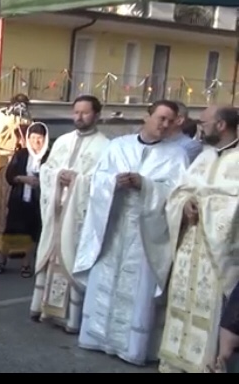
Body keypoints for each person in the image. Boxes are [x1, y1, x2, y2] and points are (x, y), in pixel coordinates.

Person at [73, 100, 190, 366]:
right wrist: (113, 183)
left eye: (171, 121)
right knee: (104, 279)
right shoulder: (118, 146)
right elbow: (97, 180)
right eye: (161, 118)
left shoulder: (177, 155)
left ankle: (132, 347)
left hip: (146, 236)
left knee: (139, 289)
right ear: (147, 117)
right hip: (112, 226)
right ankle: (96, 337)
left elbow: (177, 196)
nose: (165, 125)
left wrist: (146, 185)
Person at [158, 106, 239, 373]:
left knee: (212, 312)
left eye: (203, 122)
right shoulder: (203, 157)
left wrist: (203, 204)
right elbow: (180, 191)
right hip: (190, 246)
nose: (198, 127)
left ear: (221, 125)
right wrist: (184, 205)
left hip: (217, 257)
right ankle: (176, 363)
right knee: (182, 304)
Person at [31, 95, 109, 333]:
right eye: (76, 112)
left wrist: (78, 180)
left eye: (85, 113)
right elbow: (47, 169)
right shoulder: (63, 140)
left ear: (96, 115)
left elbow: (103, 182)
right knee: (51, 256)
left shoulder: (105, 146)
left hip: (78, 215)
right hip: (56, 209)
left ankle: (71, 317)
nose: (79, 117)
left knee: (73, 257)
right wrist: (57, 177)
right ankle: (43, 308)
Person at [0, 122, 49, 277]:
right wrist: (23, 179)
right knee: (10, 232)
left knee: (32, 234)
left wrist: (42, 181)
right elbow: (9, 175)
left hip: (37, 202)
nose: (36, 142)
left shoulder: (49, 157)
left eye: (39, 139)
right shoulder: (21, 155)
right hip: (18, 199)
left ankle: (26, 264)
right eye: (32, 138)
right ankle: (2, 260)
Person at [0, 94, 32, 235]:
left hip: (19, 160)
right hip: (0, 158)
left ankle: (12, 224)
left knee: (14, 195)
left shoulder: (26, 118)